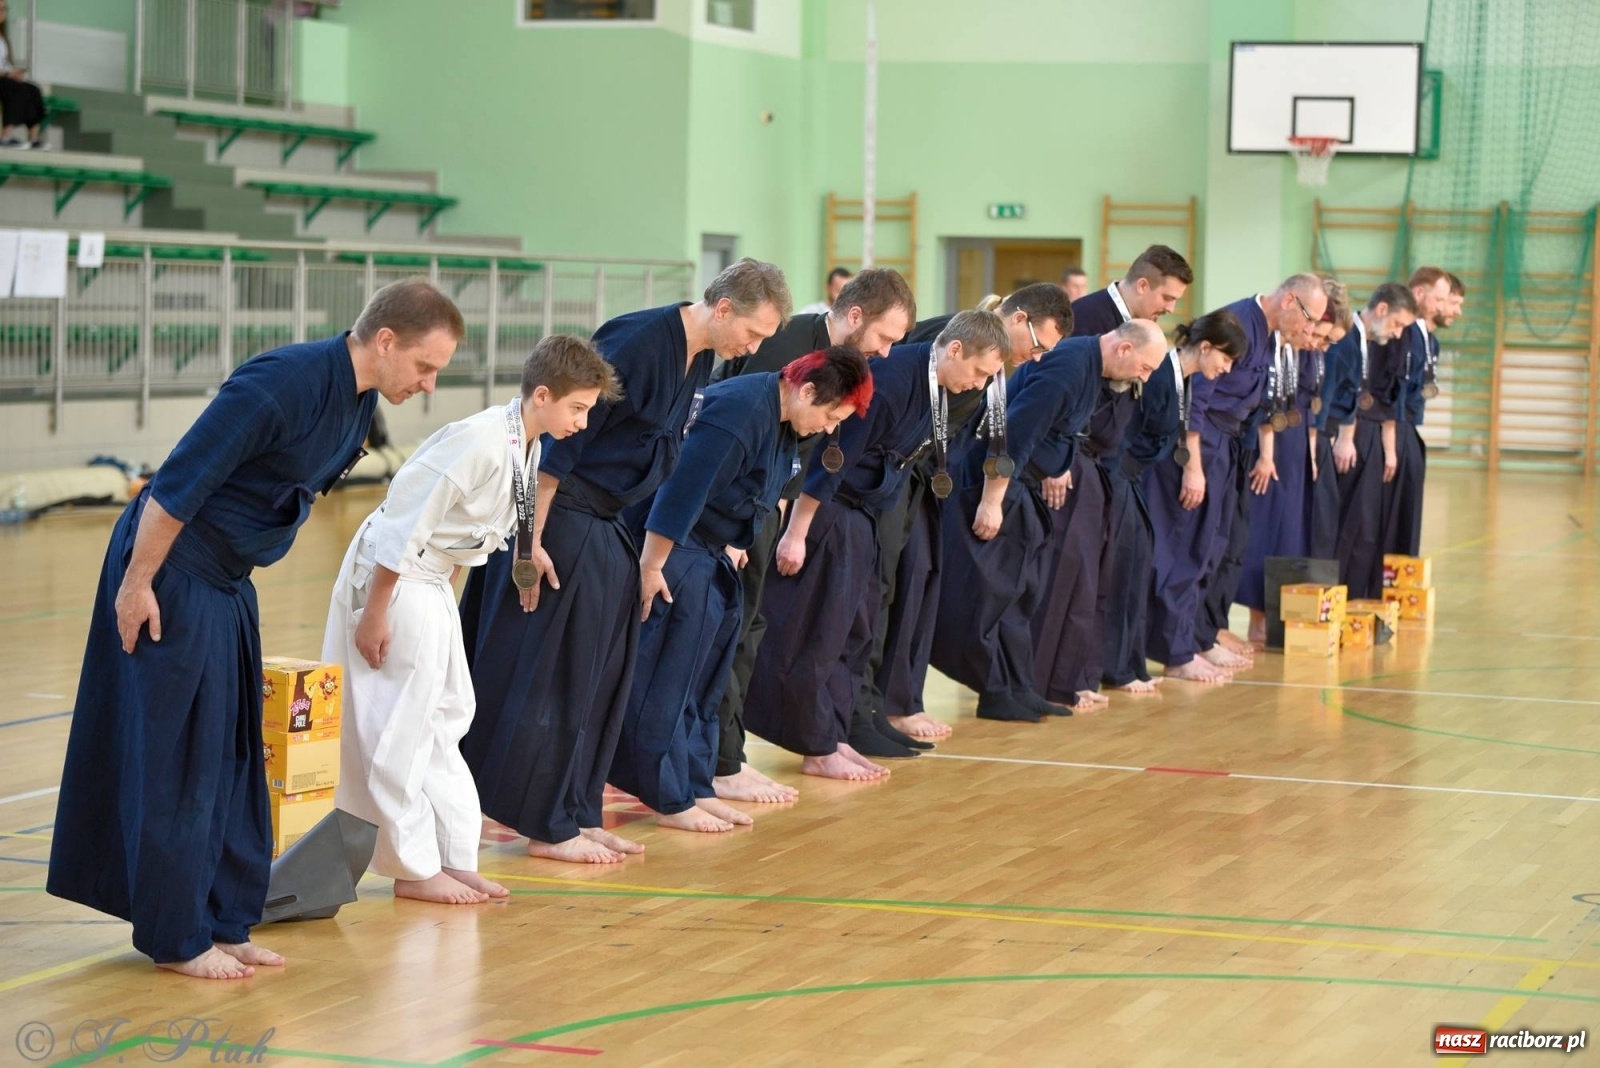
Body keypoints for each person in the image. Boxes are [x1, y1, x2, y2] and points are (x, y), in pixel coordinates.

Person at [47, 279, 464, 979]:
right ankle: (176, 936)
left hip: (227, 583)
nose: (427, 385)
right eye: (425, 367)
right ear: (386, 341)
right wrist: (136, 583)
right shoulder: (286, 382)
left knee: (237, 749)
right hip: (173, 568)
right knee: (181, 755)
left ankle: (224, 920)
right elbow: (178, 483)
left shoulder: (356, 409)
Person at [459, 258, 791, 864]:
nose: (758, 346)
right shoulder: (639, 342)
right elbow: (560, 441)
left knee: (602, 675)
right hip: (566, 521)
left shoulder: (700, 359)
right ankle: (545, 823)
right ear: (723, 309)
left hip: (610, 523)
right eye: (755, 331)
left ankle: (579, 811)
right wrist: (531, 539)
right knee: (557, 673)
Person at [326, 336, 619, 904]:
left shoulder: (526, 442)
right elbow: (404, 524)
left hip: (431, 579)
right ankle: (412, 868)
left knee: (451, 710)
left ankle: (452, 855)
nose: (583, 423)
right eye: (577, 408)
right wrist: (377, 613)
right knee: (400, 722)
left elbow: (485, 527)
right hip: (393, 574)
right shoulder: (479, 441)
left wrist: (511, 563)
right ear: (542, 395)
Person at [609, 346, 873, 831]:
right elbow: (682, 488)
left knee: (705, 683)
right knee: (668, 679)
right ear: (807, 390)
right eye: (831, 415)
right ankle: (667, 795)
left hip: (713, 551)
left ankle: (694, 784)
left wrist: (737, 539)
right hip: (676, 549)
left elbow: (755, 488)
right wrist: (651, 566)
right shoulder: (743, 408)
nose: (831, 428)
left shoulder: (784, 417)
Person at [744, 310, 1008, 778]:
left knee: (858, 629)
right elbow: (832, 461)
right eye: (980, 372)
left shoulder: (942, 387)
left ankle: (836, 732)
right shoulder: (891, 378)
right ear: (955, 350)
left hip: (869, 514)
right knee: (819, 632)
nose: (980, 384)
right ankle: (814, 742)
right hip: (833, 513)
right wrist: (797, 533)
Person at [711, 267, 914, 802]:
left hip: (763, 506)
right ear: (853, 317)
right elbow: (733, 429)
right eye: (884, 337)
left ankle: (729, 757)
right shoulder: (786, 343)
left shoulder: (846, 365)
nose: (889, 353)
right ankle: (718, 762)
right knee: (728, 635)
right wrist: (737, 527)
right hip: (729, 511)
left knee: (751, 629)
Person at [931, 319, 1168, 721]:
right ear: (1124, 350)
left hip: (1028, 487)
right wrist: (992, 501)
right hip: (1005, 487)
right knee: (995, 594)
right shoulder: (1070, 369)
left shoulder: (1091, 369)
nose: (1145, 377)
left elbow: (1058, 434)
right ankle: (993, 689)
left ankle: (1017, 686)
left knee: (1024, 590)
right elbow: (1015, 435)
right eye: (1145, 367)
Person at [868, 284, 1073, 750]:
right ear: (1017, 320)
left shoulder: (995, 365)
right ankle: (888, 704)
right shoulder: (951, 339)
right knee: (897, 585)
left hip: (928, 479)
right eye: (1038, 345)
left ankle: (903, 698)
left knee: (922, 581)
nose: (1038, 358)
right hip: (899, 473)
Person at [1144, 275, 1327, 683]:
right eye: (1310, 319)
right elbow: (1198, 397)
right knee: (1188, 549)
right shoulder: (1240, 323)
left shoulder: (1270, 334)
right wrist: (1192, 465)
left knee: (1214, 547)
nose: (1310, 330)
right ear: (1289, 302)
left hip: (1228, 445)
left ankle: (1198, 637)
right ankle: (1176, 651)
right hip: (1202, 443)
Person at [1033, 245, 1193, 710]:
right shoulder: (1084, 316)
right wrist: (1055, 461)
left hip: (1110, 464)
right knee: (1066, 575)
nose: (1169, 308)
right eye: (1166, 297)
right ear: (1142, 284)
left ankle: (1084, 674)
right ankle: (1051, 681)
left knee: (1099, 576)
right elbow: (1052, 393)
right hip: (1069, 462)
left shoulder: (1148, 331)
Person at [1100, 312, 1244, 693]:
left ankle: (1142, 659)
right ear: (1207, 347)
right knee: (1141, 566)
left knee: (1158, 563)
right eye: (1225, 360)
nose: (1226, 370)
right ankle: (1125, 663)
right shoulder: (1160, 371)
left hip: (1151, 474)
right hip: (1133, 476)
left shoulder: (1186, 378)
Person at [1235, 297, 1340, 642]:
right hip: (1274, 445)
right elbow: (1270, 405)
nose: (1315, 341)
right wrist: (1267, 455)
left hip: (1295, 446)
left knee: (1292, 533)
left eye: (1322, 338)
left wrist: (1311, 455)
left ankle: (1278, 616)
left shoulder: (1306, 353)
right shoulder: (1278, 345)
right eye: (1314, 332)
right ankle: (1256, 618)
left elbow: (1307, 404)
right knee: (1267, 531)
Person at [1327, 282, 1419, 599]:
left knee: (1365, 525)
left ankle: (1353, 598)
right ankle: (1336, 596)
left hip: (1358, 438)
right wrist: (1344, 437)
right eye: (1396, 324)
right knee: (1346, 525)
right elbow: (1337, 396)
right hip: (1339, 439)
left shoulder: (1364, 343)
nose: (1396, 334)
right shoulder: (1346, 341)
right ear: (1381, 310)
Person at [1385, 266, 1454, 557]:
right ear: (1419, 293)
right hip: (1393, 427)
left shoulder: (1427, 339)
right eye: (1441, 299)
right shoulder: (1403, 334)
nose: (1445, 307)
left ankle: (1400, 579)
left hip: (1407, 426)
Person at [1308, 278, 1354, 560]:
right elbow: (1318, 405)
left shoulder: (1326, 351)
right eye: (1325, 339)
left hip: (1321, 437)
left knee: (1325, 520)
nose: (1325, 346)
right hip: (1314, 437)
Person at [0, 2, 45, 150]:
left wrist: (14, 72)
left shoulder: (3, 37)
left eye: (4, 9)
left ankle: (33, 137)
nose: (2, 12)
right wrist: (8, 74)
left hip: (5, 77)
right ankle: (6, 137)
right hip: (3, 79)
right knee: (14, 88)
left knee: (33, 90)